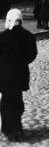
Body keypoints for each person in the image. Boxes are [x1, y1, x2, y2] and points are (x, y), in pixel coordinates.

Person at [0, 9, 37, 141]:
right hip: (20, 75)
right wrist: (22, 63)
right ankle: (17, 127)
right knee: (17, 102)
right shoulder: (28, 36)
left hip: (4, 76)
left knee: (5, 102)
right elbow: (32, 54)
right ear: (21, 20)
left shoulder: (2, 36)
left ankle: (8, 129)